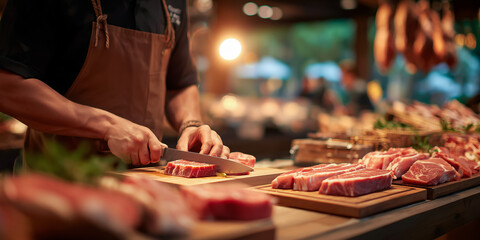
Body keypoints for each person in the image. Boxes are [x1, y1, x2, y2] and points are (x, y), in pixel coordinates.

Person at [0, 0, 230, 167]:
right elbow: (8, 85)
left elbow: (178, 83)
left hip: (145, 185)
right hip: (60, 181)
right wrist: (108, 126)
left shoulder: (172, 3)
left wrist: (190, 124)